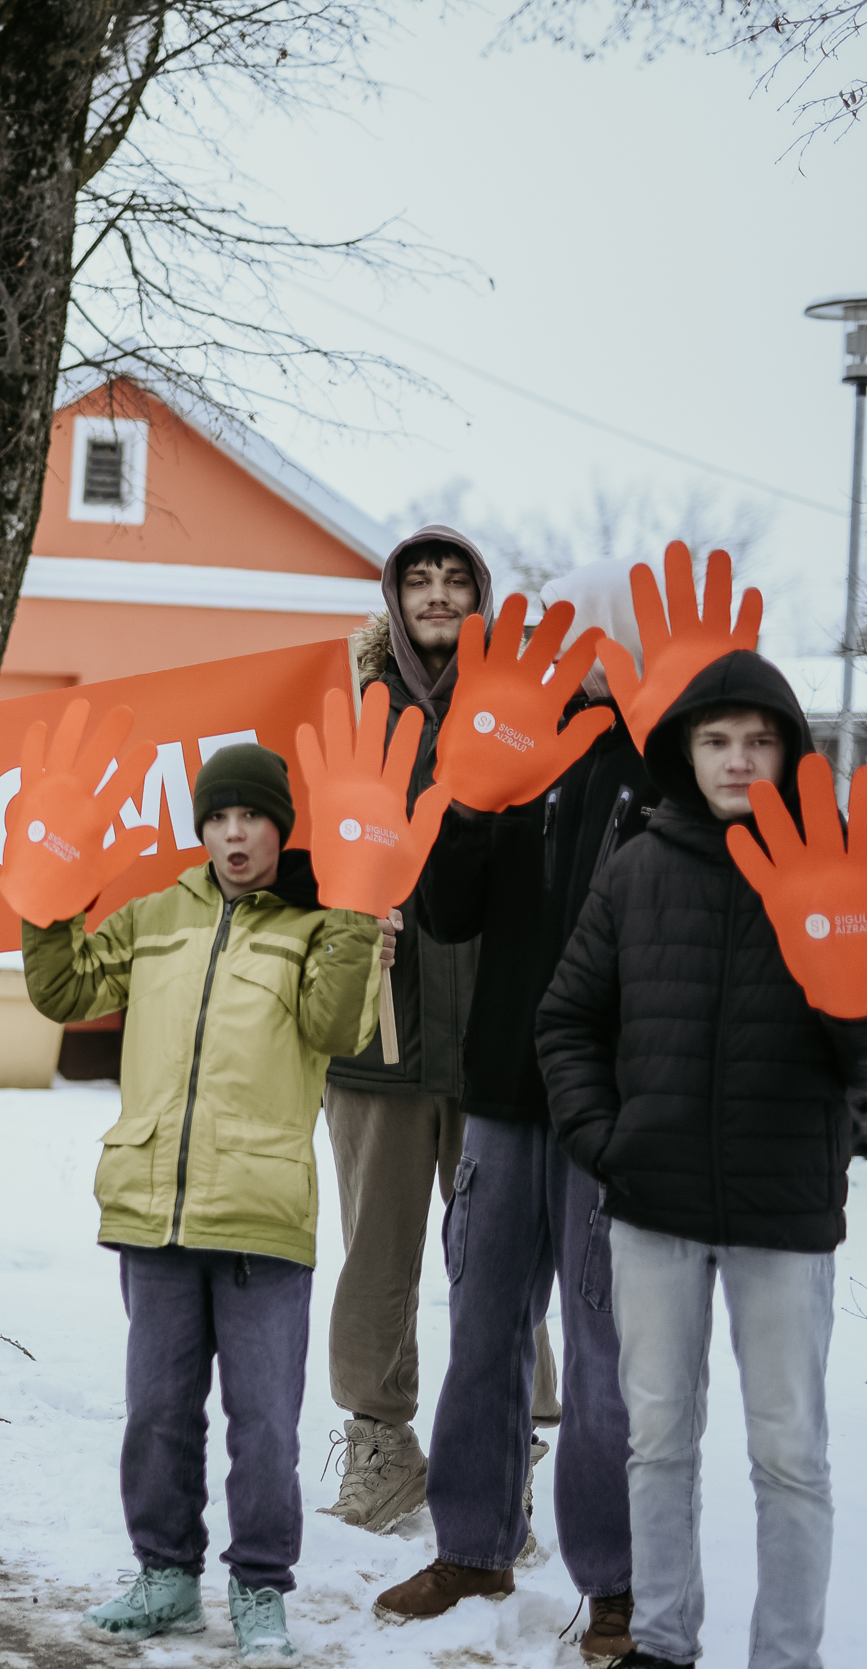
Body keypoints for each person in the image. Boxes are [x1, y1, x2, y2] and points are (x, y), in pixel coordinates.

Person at [20, 743, 385, 1665]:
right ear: (202, 827)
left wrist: (353, 912)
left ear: (278, 829)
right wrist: (46, 892)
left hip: (263, 1217)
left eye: (253, 816)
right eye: (220, 816)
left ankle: (261, 1586)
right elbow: (64, 987)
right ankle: (167, 1576)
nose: (235, 831)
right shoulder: (152, 918)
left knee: (263, 1421)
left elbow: (338, 1028)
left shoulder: (315, 926)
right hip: (155, 1207)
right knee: (157, 1411)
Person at [539, 651, 864, 1669]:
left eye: (757, 739)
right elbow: (566, 1021)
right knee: (659, 1440)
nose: (736, 758)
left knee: (790, 1455)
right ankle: (663, 1641)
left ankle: (785, 1655)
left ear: (786, 749)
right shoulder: (637, 865)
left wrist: (837, 1119)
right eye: (716, 739)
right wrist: (606, 1142)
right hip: (653, 1206)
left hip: (783, 1212)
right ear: (686, 749)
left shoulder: (839, 873)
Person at [379, 559, 646, 1657]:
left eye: (592, 638)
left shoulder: (658, 759)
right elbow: (444, 913)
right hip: (501, 1084)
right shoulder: (511, 739)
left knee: (600, 1345)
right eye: (559, 636)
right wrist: (471, 797)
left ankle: (617, 1581)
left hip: (612, 1102)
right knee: (483, 1328)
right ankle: (474, 1544)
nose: (574, 657)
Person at [317, 528, 488, 1530]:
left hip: (491, 1040)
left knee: (496, 1255)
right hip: (375, 1035)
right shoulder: (347, 701)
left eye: (452, 578)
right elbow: (297, 841)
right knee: (376, 1255)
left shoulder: (517, 712)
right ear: (391, 596)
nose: (434, 593)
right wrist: (348, 910)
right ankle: (380, 1442)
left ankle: (500, 1441)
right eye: (417, 578)